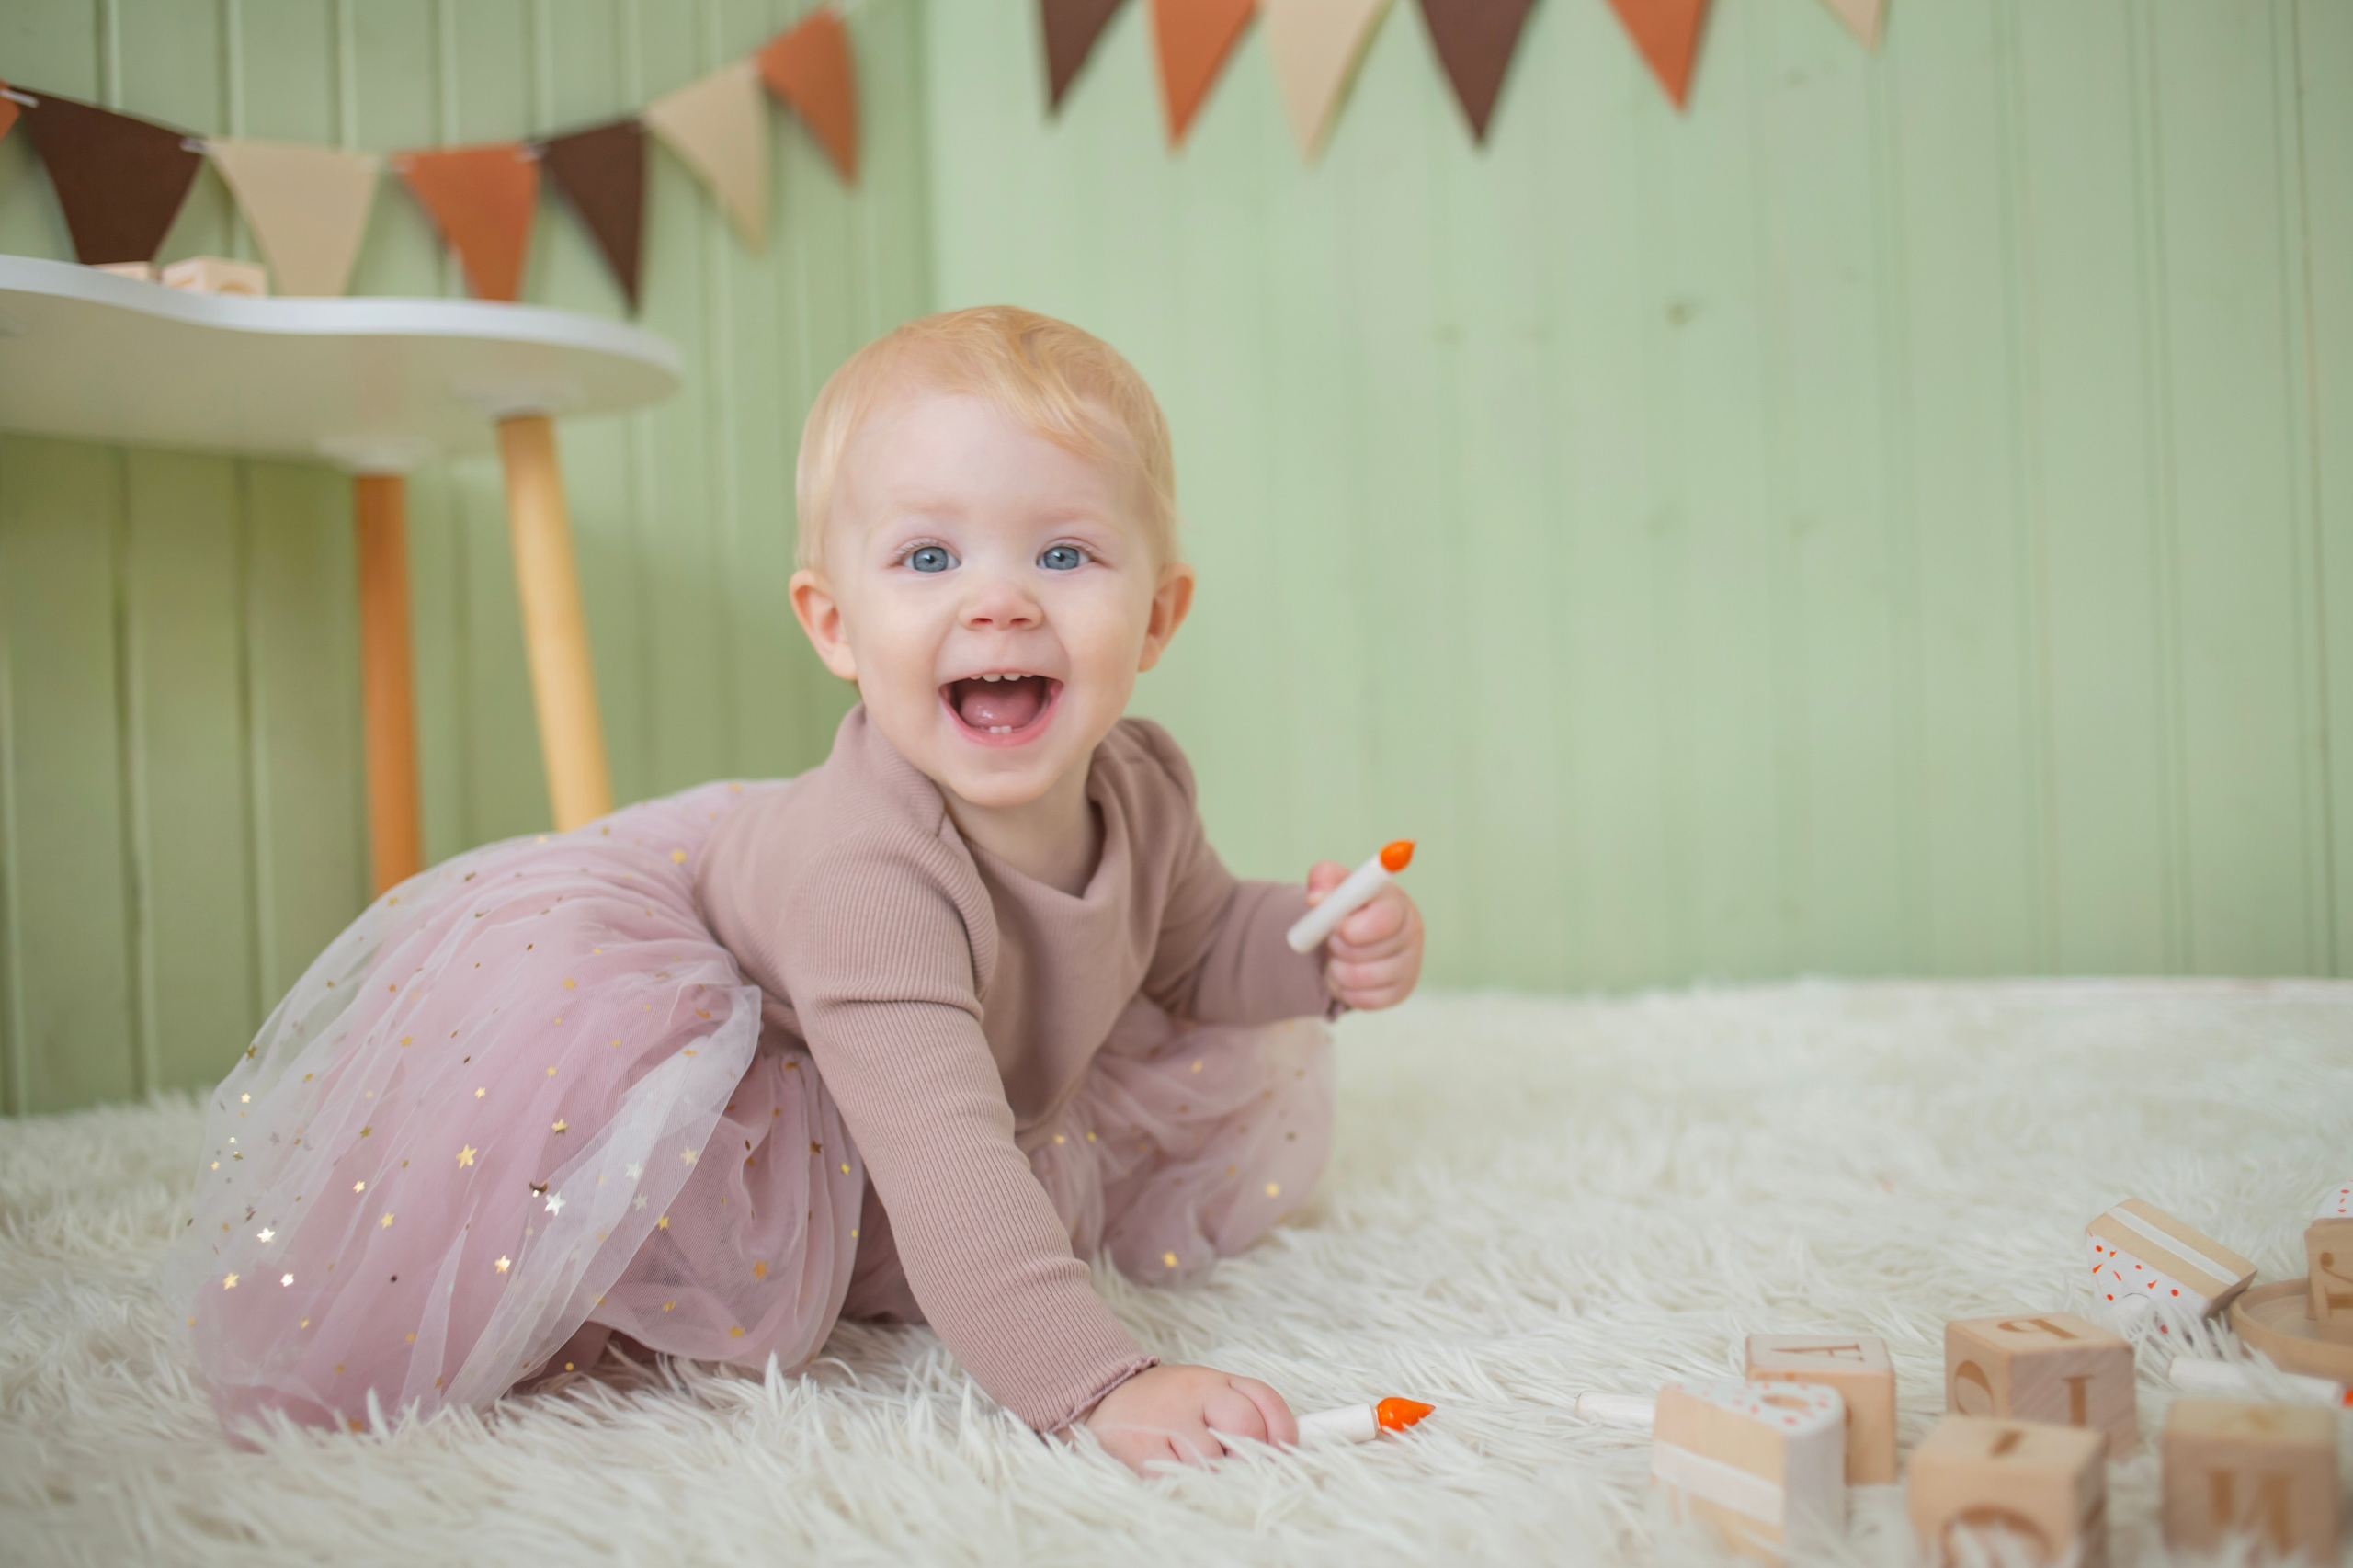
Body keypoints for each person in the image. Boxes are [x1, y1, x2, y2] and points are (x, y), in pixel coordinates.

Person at [167, 306, 1425, 1474]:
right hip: (754, 1020)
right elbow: (942, 1155)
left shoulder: (1144, 785)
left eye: (1064, 550)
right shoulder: (868, 875)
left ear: (1157, 616)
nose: (1000, 599)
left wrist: (1320, 951)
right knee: (622, 1242)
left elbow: (1196, 948)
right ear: (834, 623)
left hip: (909, 1024)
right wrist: (1097, 1385)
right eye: (928, 555)